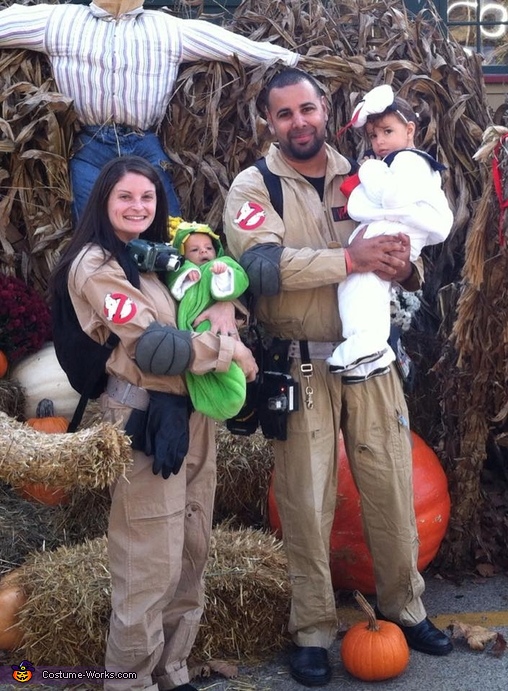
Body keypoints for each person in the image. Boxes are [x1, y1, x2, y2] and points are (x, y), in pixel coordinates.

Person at [223, 68, 453, 688]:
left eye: (308, 109)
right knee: (305, 499)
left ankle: (406, 608)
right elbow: (261, 268)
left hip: (371, 358)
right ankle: (315, 631)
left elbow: (405, 257)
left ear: (325, 110)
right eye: (285, 114)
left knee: (392, 485)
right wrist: (348, 259)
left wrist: (405, 270)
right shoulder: (256, 185)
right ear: (268, 123)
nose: (299, 122)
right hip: (300, 362)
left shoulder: (369, 174)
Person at [49, 155, 258, 691]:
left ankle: (172, 671)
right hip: (141, 420)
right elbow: (153, 346)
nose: (137, 206)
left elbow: (207, 290)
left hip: (192, 414)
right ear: (104, 201)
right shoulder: (95, 265)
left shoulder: (157, 258)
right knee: (148, 561)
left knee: (191, 549)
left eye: (147, 197)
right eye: (125, 197)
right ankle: (128, 681)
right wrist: (229, 351)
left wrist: (228, 306)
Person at [0, 0, 299, 221]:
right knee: (90, 228)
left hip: (142, 143)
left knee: (168, 223)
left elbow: (230, 45)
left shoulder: (166, 28)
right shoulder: (60, 21)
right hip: (89, 144)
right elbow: (9, 23)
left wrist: (291, 59)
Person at [326, 84, 453, 381]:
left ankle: (368, 343)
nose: (379, 142)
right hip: (387, 230)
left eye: (387, 132)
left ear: (409, 130)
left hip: (396, 232)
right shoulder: (392, 163)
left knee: (366, 285)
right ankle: (362, 347)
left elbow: (393, 197)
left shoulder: (411, 161)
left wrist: (369, 170)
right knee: (357, 284)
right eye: (373, 135)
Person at [166, 218, 250, 420]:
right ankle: (209, 397)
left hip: (216, 330)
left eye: (208, 248)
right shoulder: (183, 269)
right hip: (193, 330)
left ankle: (232, 397)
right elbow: (173, 282)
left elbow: (239, 280)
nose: (203, 252)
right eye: (194, 250)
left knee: (226, 365)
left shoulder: (224, 263)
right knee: (201, 366)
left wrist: (222, 276)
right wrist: (188, 276)